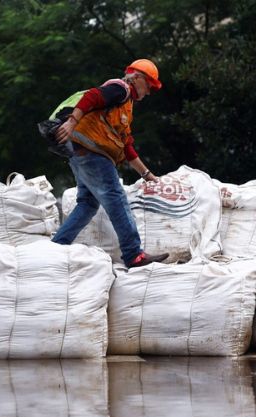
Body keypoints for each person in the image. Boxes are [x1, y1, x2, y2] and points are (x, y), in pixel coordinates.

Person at [50, 59, 169, 269]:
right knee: (117, 198)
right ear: (138, 78)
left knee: (88, 204)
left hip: (80, 154)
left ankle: (57, 246)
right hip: (93, 154)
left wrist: (147, 175)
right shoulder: (120, 89)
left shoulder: (125, 106)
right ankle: (133, 254)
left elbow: (126, 145)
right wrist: (71, 122)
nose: (149, 92)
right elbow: (92, 96)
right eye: (149, 86)